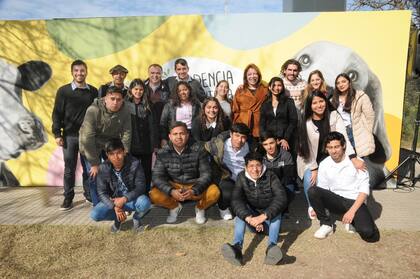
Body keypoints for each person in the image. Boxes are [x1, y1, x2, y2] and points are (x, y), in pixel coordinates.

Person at [297, 91, 365, 220]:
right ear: (310, 106)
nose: (319, 105)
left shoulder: (334, 115)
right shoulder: (306, 121)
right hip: (310, 158)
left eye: (321, 101)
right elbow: (306, 148)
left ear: (326, 101)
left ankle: (342, 205)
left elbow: (344, 137)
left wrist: (353, 158)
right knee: (309, 178)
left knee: (348, 172)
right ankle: (313, 207)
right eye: (315, 103)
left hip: (331, 156)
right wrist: (314, 168)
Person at [308, 131, 380, 242]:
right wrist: (316, 207)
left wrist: (352, 211)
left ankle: (350, 219)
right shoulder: (324, 164)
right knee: (312, 191)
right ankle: (326, 224)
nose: (333, 151)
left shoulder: (358, 163)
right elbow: (322, 189)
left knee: (368, 233)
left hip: (354, 201)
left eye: (336, 146)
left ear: (344, 146)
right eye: (330, 147)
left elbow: (364, 191)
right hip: (336, 200)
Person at [221, 152, 288, 266]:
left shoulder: (271, 176)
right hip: (252, 221)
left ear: (262, 165)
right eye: (251, 166)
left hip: (269, 221)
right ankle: (237, 248)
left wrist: (262, 217)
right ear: (246, 167)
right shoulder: (241, 177)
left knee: (277, 212)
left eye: (258, 165)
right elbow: (236, 200)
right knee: (240, 214)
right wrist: (250, 218)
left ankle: (271, 247)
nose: (255, 169)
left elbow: (281, 198)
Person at [149, 121, 220, 224]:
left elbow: (206, 174)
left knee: (214, 192)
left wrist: (194, 190)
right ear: (169, 136)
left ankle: (200, 208)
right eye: (175, 134)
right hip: (175, 185)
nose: (179, 137)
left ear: (187, 135)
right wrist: (171, 191)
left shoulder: (199, 149)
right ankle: (174, 207)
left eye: (182, 133)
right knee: (154, 194)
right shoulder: (163, 152)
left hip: (194, 185)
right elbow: (157, 176)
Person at [52, 60, 98, 210]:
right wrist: (57, 134)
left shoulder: (93, 91)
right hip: (69, 137)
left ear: (86, 72)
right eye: (76, 71)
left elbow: (98, 114)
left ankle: (89, 196)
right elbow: (57, 114)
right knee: (69, 169)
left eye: (82, 71)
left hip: (88, 137)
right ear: (72, 72)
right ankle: (68, 198)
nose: (79, 73)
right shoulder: (63, 91)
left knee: (89, 168)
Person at [79, 86, 131, 205]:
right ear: (105, 99)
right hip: (90, 144)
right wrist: (94, 163)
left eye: (118, 99)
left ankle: (115, 202)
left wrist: (125, 152)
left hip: (109, 143)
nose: (115, 102)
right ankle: (98, 204)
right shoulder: (93, 110)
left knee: (115, 171)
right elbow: (88, 137)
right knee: (94, 174)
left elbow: (127, 132)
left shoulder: (125, 110)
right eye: (112, 99)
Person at [90, 138, 151, 233]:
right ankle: (118, 219)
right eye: (112, 154)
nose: (116, 157)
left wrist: (124, 199)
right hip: (114, 201)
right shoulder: (103, 168)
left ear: (124, 152)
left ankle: (137, 218)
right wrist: (114, 207)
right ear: (107, 155)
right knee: (95, 214)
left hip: (131, 199)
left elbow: (140, 187)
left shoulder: (135, 164)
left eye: (118, 153)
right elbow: (101, 192)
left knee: (145, 202)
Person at [204, 123, 250, 220]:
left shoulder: (250, 147)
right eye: (237, 136)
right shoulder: (220, 144)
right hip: (227, 176)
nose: (239, 140)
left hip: (245, 177)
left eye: (243, 137)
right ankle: (223, 208)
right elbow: (205, 147)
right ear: (231, 134)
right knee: (226, 194)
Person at [331, 73, 375, 158]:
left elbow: (370, 116)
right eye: (338, 83)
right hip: (340, 133)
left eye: (343, 81)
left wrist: (367, 131)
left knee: (358, 162)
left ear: (349, 83)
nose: (341, 84)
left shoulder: (360, 96)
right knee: (343, 161)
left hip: (356, 132)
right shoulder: (333, 99)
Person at [127, 79, 157, 191]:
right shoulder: (125, 104)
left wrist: (154, 144)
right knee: (132, 171)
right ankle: (133, 193)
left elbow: (153, 126)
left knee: (146, 171)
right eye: (136, 89)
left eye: (141, 89)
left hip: (146, 145)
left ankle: (146, 192)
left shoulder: (147, 105)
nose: (138, 92)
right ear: (131, 90)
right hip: (131, 145)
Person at [232, 63, 268, 145]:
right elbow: (235, 110)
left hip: (260, 125)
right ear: (246, 77)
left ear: (259, 75)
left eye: (255, 74)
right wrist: (236, 127)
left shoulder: (265, 89)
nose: (252, 76)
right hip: (243, 125)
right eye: (249, 74)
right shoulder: (240, 90)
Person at [260, 77, 297, 152]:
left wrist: (285, 138)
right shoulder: (265, 104)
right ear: (270, 87)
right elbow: (262, 124)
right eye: (274, 85)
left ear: (283, 87)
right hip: (270, 142)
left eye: (279, 85)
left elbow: (293, 121)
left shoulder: (289, 102)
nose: (276, 88)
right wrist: (267, 140)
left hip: (286, 140)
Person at [260, 131, 296, 208]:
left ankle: (284, 208)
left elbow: (288, 176)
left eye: (271, 143)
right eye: (265, 144)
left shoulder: (286, 155)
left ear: (277, 142)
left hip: (282, 183)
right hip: (266, 184)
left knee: (290, 188)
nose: (269, 147)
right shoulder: (260, 157)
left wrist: (278, 188)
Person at [160, 81, 201, 146]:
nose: (183, 92)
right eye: (179, 91)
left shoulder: (196, 104)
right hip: (176, 135)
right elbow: (163, 123)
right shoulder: (170, 105)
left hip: (193, 136)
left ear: (189, 90)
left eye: (185, 90)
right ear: (176, 93)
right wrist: (163, 138)